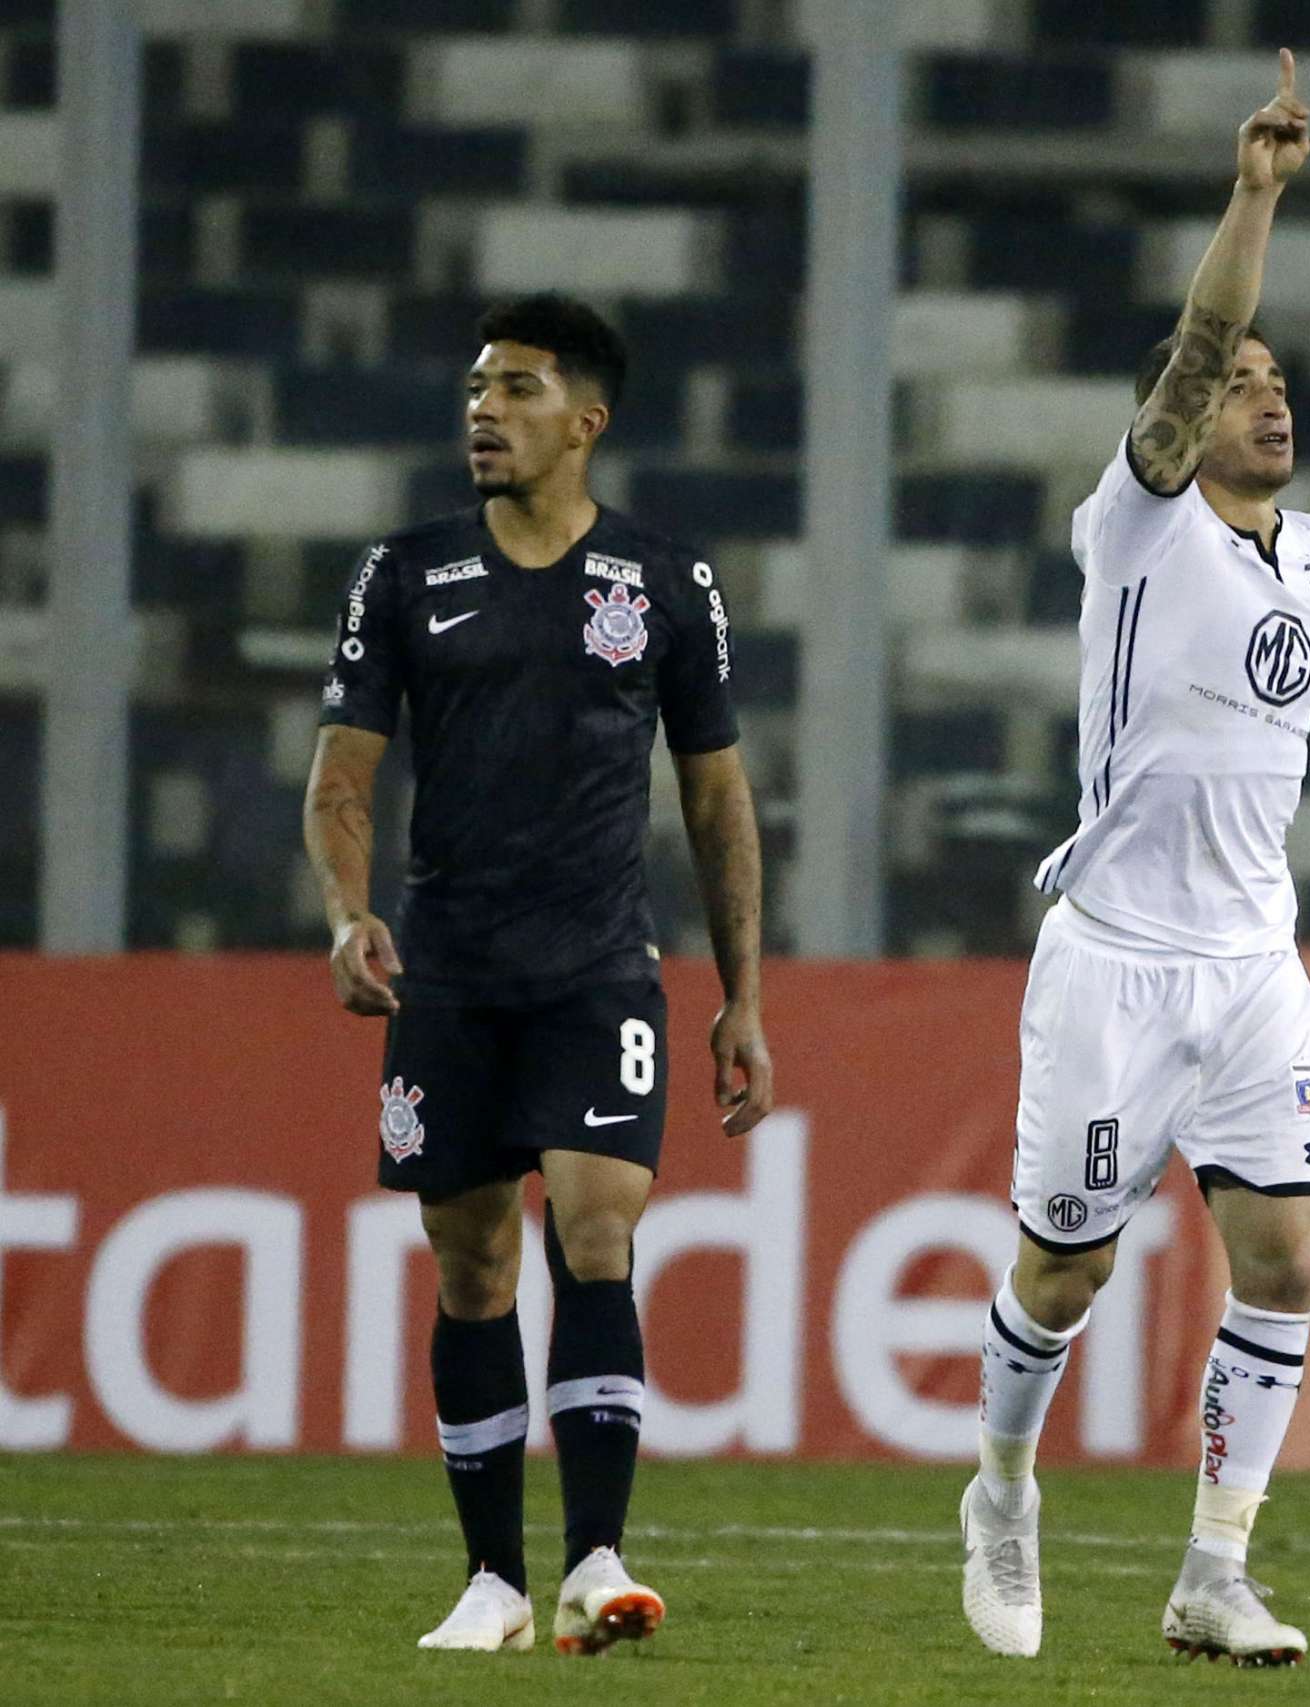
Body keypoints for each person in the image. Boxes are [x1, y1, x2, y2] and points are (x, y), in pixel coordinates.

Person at [957, 49, 1310, 1668]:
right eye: (1243, 377)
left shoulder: (1305, 549)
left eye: (1277, 377)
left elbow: (1297, 665)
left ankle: (1213, 1571)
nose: (1268, 391)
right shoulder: (1142, 517)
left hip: (1253, 958)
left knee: (1291, 1251)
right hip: (1114, 949)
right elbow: (1184, 359)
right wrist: (1256, 194)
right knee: (1066, 1267)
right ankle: (1002, 1480)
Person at [302, 293, 774, 1656]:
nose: (481, 412)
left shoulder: (666, 584)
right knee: (469, 1265)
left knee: (595, 1229)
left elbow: (719, 799)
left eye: (513, 390)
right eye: (474, 390)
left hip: (597, 970)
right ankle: (493, 1582)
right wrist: (345, 916)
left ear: (587, 421)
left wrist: (744, 994)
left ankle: (598, 1557)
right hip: (447, 973)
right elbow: (343, 776)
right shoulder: (402, 573)